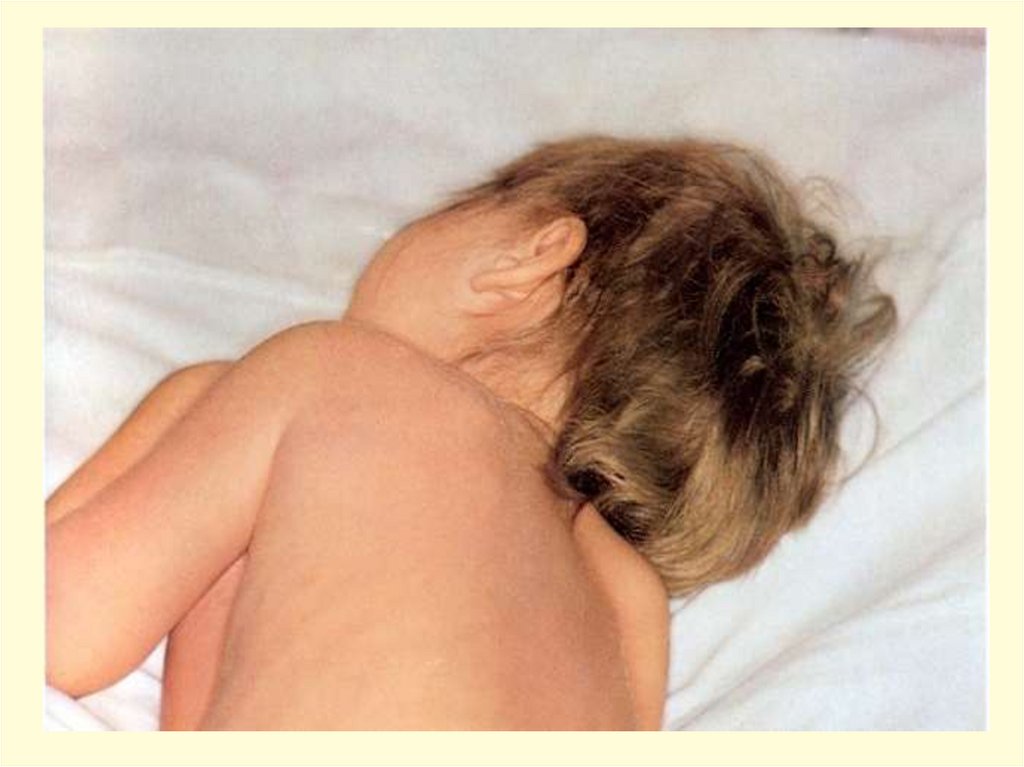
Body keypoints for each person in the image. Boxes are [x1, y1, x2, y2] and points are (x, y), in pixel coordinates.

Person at [45, 136, 895, 730]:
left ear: (526, 258)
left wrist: (187, 410)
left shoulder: (336, 371)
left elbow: (58, 624)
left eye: (466, 201)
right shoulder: (630, 599)